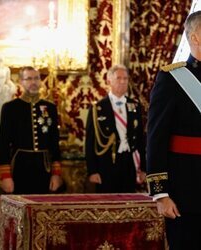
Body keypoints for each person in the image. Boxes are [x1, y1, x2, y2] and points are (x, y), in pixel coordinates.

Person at [146, 11, 201, 250]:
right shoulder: (173, 78)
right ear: (196, 37)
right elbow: (156, 139)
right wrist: (161, 194)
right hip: (187, 191)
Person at [0, 66, 63, 194]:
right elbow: (3, 144)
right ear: (21, 82)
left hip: (44, 167)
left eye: (36, 78)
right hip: (20, 166)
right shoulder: (10, 108)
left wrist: (56, 173)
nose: (33, 82)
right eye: (28, 79)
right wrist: (5, 176)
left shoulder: (50, 107)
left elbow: (54, 143)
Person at [85, 64, 146, 193]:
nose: (123, 82)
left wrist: (144, 168)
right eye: (119, 78)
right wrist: (93, 171)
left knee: (129, 202)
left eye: (125, 78)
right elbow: (90, 142)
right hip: (107, 163)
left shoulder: (134, 105)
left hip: (129, 161)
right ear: (109, 81)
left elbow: (141, 139)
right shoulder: (98, 108)